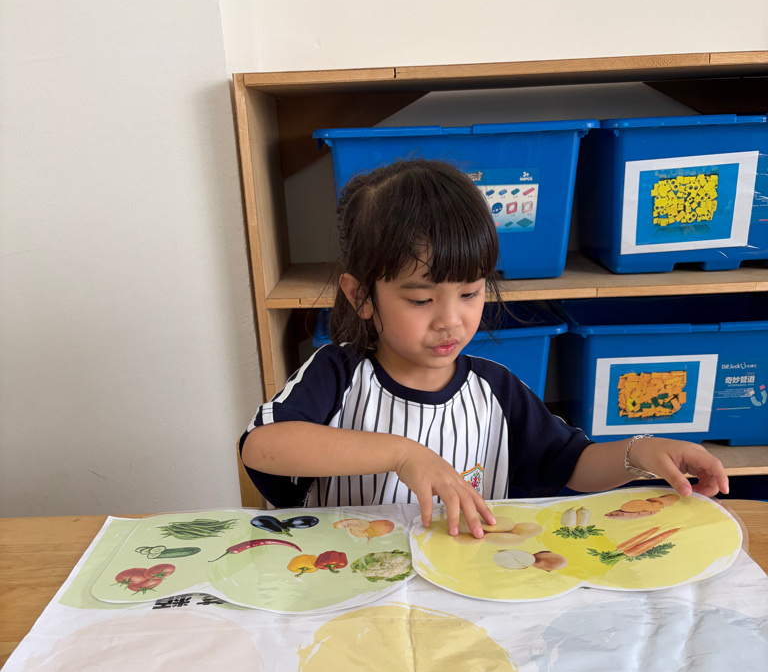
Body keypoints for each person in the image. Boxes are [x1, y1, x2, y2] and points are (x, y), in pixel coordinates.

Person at [240, 158, 728, 539]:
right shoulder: (338, 374)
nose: (450, 320)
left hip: (463, 585)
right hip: (350, 583)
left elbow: (572, 464)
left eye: (470, 293)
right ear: (361, 296)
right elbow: (263, 447)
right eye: (421, 299)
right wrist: (402, 454)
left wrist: (642, 453)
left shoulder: (494, 389)